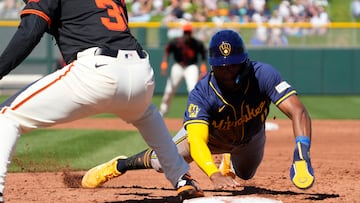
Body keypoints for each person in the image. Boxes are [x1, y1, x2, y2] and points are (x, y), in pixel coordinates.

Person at [0, 0, 204, 202]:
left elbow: (29, 31)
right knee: (146, 114)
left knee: (7, 116)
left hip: (97, 69)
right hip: (141, 70)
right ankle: (181, 178)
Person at [81, 29, 315, 193]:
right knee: (163, 161)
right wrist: (213, 174)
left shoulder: (262, 74)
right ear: (213, 66)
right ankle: (119, 165)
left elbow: (298, 111)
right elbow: (197, 142)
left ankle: (229, 163)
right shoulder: (202, 93)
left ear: (244, 61)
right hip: (209, 139)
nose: (229, 71)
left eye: (234, 64)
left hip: (249, 138)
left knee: (246, 174)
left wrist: (302, 152)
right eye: (223, 67)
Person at [159, 23, 207, 116]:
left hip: (191, 66)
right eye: (186, 33)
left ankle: (195, 111)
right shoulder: (176, 42)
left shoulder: (196, 43)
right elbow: (167, 52)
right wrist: (164, 64)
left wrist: (203, 67)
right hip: (178, 66)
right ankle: (163, 110)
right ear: (183, 33)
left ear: (191, 33)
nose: (187, 35)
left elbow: (203, 55)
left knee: (192, 89)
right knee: (169, 90)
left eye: (189, 33)